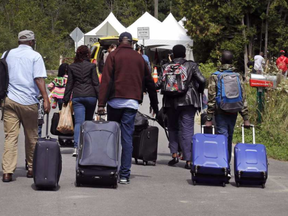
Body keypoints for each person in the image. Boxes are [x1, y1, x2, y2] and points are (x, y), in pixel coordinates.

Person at [97, 32, 159, 185]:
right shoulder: (140, 58)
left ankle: (112, 168)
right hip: (131, 103)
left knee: (113, 137)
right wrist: (155, 105)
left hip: (114, 103)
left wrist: (101, 104)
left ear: (119, 42)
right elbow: (150, 82)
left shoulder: (113, 56)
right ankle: (124, 174)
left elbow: (106, 81)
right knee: (127, 138)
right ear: (132, 43)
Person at [1, 30, 50, 182]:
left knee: (10, 137)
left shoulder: (6, 54)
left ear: (18, 41)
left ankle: (7, 172)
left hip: (9, 101)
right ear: (31, 42)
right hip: (29, 102)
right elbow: (39, 79)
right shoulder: (35, 56)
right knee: (31, 137)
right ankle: (31, 168)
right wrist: (46, 99)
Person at [155, 44, 206, 169]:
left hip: (170, 102)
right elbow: (202, 80)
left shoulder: (166, 66)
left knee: (172, 127)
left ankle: (174, 155)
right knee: (187, 129)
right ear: (184, 54)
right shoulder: (191, 65)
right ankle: (188, 159)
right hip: (188, 102)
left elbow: (159, 84)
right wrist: (199, 91)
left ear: (172, 55)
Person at [205, 50, 250, 168]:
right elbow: (243, 97)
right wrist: (245, 117)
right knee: (229, 136)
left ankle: (224, 165)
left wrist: (209, 118)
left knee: (222, 136)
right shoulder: (238, 76)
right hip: (234, 110)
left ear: (221, 60)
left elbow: (211, 99)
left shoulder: (215, 76)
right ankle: (227, 163)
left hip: (221, 111)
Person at [63, 45, 99, 157]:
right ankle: (87, 146)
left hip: (78, 97)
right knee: (88, 122)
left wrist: (65, 99)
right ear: (88, 54)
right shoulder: (92, 66)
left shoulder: (72, 67)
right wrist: (102, 100)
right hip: (91, 97)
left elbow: (69, 84)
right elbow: (96, 83)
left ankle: (76, 147)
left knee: (79, 123)